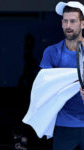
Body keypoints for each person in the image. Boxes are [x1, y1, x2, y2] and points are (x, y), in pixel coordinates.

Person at [40, 1, 84, 150]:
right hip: (64, 125)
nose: (68, 26)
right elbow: (44, 88)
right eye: (65, 21)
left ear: (83, 24)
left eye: (73, 21)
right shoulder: (51, 52)